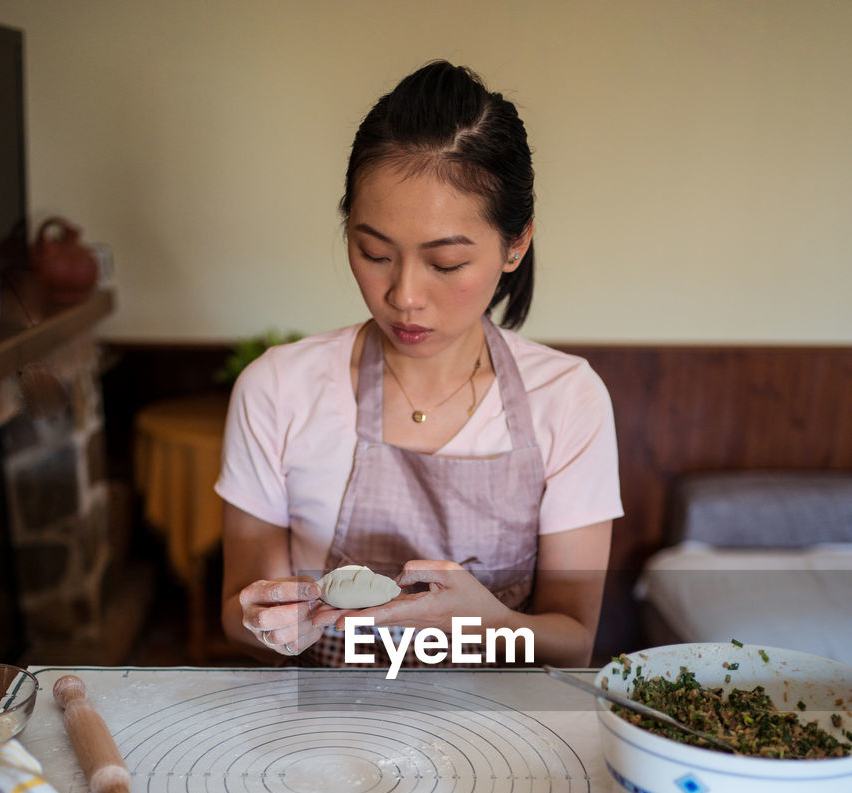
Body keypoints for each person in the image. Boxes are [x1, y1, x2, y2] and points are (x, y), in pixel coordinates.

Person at [216, 60, 622, 668]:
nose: (404, 295)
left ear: (516, 245)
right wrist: (268, 619)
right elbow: (238, 612)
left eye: (446, 263)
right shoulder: (278, 388)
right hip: (328, 736)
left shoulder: (568, 398)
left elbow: (573, 642)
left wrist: (489, 624)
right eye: (373, 252)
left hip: (497, 742)